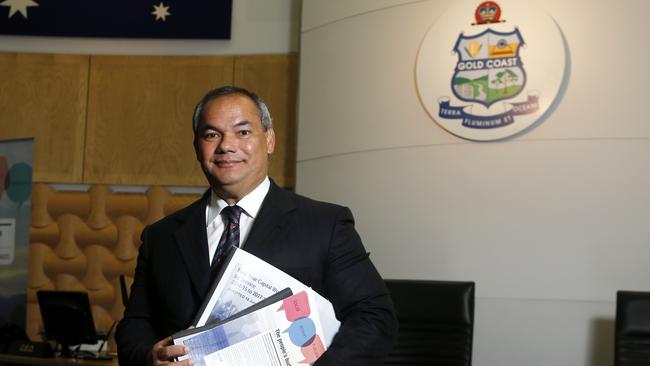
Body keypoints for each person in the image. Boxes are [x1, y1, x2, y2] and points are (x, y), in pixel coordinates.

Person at [115, 86, 397, 366]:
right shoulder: (160, 237)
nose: (226, 145)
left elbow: (374, 317)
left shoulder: (326, 225)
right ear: (197, 146)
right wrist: (149, 356)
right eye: (212, 134)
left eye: (243, 132)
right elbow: (135, 325)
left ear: (270, 140)